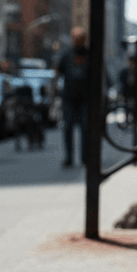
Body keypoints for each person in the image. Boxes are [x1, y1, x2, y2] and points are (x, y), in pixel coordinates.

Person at [56, 27, 89, 167]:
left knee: (85, 128)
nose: (78, 40)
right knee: (67, 127)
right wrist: (55, 95)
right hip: (68, 98)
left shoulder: (89, 54)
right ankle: (69, 157)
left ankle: (85, 158)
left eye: (81, 37)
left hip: (85, 98)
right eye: (76, 37)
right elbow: (58, 73)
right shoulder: (66, 54)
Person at [118, 53, 137, 142]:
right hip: (127, 96)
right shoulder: (124, 72)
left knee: (136, 114)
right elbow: (121, 84)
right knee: (127, 111)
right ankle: (128, 124)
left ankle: (136, 131)